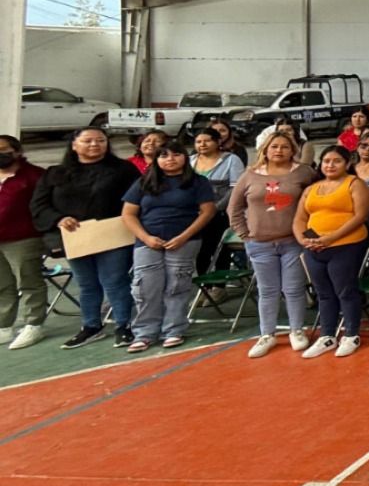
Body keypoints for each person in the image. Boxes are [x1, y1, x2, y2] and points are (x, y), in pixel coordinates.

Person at [31, 128, 141, 349]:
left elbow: (138, 198)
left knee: (115, 280)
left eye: (100, 140)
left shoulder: (123, 170)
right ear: (74, 145)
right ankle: (91, 326)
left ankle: (124, 325)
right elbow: (39, 205)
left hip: (113, 234)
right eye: (87, 141)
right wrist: (59, 218)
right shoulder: (55, 173)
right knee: (87, 283)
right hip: (76, 236)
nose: (94, 145)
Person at [228, 134, 319, 358]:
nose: (279, 150)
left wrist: (309, 235)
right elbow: (234, 208)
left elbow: (315, 203)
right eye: (274, 146)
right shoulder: (250, 175)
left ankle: (296, 330)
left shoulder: (304, 172)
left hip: (293, 242)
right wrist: (244, 234)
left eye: (284, 147)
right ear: (265, 150)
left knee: (294, 288)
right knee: (267, 290)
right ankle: (267, 334)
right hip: (259, 243)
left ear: (293, 150)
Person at [120, 144, 216, 353]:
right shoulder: (144, 182)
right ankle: (144, 333)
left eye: (176, 154)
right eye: (163, 155)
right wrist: (145, 238)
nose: (170, 159)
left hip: (184, 240)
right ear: (156, 160)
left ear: (185, 157)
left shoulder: (198, 182)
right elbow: (128, 214)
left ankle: (173, 329)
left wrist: (184, 237)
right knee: (145, 287)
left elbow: (207, 212)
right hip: (148, 241)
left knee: (177, 286)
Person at [293, 145, 369, 359]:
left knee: (345, 291)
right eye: (327, 161)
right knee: (323, 293)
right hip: (314, 247)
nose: (330, 165)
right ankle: (327, 336)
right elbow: (300, 218)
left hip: (345, 245)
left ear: (347, 163)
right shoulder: (311, 188)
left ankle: (351, 335)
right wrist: (303, 239)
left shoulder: (355, 184)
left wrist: (331, 238)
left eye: (336, 161)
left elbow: (360, 216)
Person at [0, 135, 47, 350]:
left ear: (17, 151)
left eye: (3, 150)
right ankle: (4, 324)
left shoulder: (34, 176)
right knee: (3, 284)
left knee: (28, 281)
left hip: (23, 238)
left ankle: (34, 324)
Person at [190, 127, 245, 275]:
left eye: (207, 141)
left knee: (219, 249)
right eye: (198, 142)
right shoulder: (190, 161)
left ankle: (220, 284)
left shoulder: (231, 160)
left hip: (220, 213)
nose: (202, 144)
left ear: (218, 141)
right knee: (201, 250)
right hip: (194, 213)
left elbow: (235, 188)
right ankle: (203, 282)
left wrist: (215, 208)